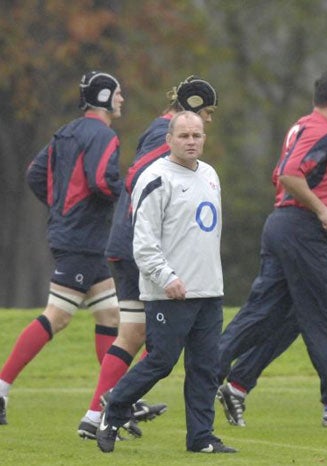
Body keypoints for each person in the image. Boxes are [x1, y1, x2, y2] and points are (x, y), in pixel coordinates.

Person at [215, 70, 327, 430]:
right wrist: (322, 208)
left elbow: (281, 177)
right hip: (301, 229)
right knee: (326, 316)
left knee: (265, 311)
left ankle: (208, 367)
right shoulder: (322, 132)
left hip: (281, 224)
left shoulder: (301, 126)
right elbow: (288, 173)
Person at [77, 76, 218, 439]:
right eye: (206, 114)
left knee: (134, 333)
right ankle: (102, 411)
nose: (205, 126)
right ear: (189, 112)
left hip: (134, 246)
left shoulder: (184, 150)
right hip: (137, 246)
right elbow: (138, 177)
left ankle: (99, 415)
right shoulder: (164, 137)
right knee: (148, 344)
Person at [96, 111, 236, 454]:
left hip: (208, 291)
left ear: (204, 138)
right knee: (161, 361)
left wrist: (212, 280)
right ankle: (114, 408)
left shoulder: (210, 175)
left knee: (205, 367)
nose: (191, 141)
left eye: (197, 135)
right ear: (169, 139)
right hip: (168, 293)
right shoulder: (156, 178)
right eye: (184, 135)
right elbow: (142, 242)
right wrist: (166, 277)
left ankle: (201, 438)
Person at [0, 71, 124, 426]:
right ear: (103, 97)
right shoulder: (104, 135)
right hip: (82, 240)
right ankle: (1, 388)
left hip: (77, 237)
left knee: (110, 316)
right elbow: (103, 180)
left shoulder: (65, 131)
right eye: (118, 94)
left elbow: (35, 174)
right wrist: (126, 194)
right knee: (58, 316)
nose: (121, 100)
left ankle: (106, 405)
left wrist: (60, 207)